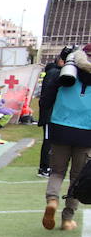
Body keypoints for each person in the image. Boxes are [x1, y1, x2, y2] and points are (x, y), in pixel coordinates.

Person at [43, 44, 91, 231]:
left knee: (57, 171)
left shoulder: (66, 72)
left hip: (60, 127)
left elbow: (47, 98)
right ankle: (67, 218)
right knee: (77, 177)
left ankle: (52, 200)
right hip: (87, 132)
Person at [37, 49, 69, 178]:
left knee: (52, 140)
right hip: (49, 114)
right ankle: (44, 167)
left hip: (52, 113)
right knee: (48, 140)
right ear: (61, 61)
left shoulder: (53, 73)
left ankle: (47, 166)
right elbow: (48, 95)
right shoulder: (54, 74)